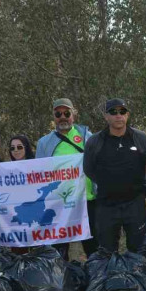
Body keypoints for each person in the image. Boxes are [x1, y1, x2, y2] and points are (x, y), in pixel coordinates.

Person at [84, 99, 146, 253]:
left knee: (138, 248)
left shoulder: (140, 138)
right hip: (106, 205)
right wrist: (108, 183)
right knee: (107, 250)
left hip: (134, 203)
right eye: (113, 112)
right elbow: (88, 169)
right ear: (106, 116)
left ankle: (138, 275)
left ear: (127, 115)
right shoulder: (94, 141)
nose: (118, 116)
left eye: (122, 112)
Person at [36, 98, 98, 258]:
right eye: (58, 114)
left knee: (93, 246)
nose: (62, 117)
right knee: (59, 249)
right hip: (59, 203)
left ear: (73, 114)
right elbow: (38, 172)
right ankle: (63, 279)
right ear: (54, 117)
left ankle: (95, 278)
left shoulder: (87, 137)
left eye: (66, 113)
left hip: (87, 200)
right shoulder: (44, 142)